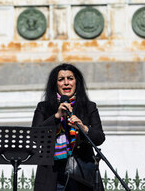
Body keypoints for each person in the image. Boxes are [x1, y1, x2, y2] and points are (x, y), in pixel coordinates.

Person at [32, 63, 105, 191]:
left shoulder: (89, 107)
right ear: (55, 84)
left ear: (76, 82)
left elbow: (99, 138)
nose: (66, 83)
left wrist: (84, 128)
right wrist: (56, 116)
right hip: (52, 173)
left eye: (70, 78)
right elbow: (35, 136)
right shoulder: (43, 107)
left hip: (81, 173)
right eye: (61, 79)